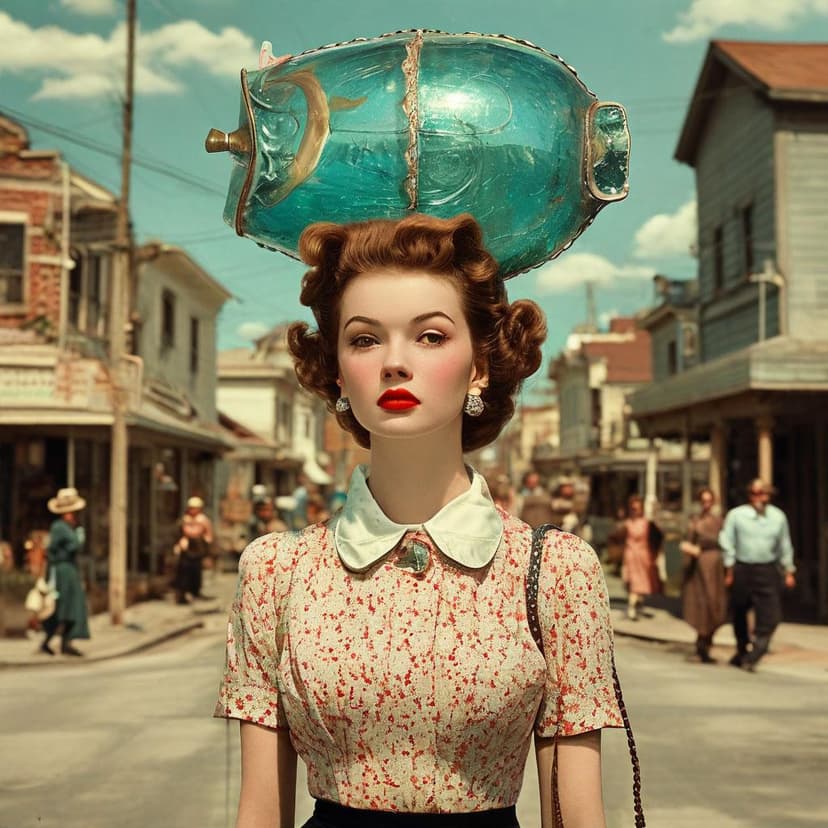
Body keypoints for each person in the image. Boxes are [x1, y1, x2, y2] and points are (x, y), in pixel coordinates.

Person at [215, 214, 641, 828]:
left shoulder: (554, 571)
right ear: (337, 369)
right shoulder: (277, 570)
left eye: (431, 337)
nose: (394, 362)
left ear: (479, 366)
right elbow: (259, 813)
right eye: (364, 339)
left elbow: (576, 815)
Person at [719, 478, 796, 672]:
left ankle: (758, 649)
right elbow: (727, 541)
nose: (758, 497)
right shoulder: (737, 515)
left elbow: (784, 545)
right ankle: (742, 648)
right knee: (739, 611)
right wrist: (729, 569)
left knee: (772, 614)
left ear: (769, 495)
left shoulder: (778, 517)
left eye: (762, 493)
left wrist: (788, 570)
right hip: (742, 568)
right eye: (754, 493)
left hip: (767, 569)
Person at [41, 487, 90, 657]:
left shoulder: (69, 527)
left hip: (70, 569)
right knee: (61, 607)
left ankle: (66, 642)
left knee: (72, 607)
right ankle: (49, 641)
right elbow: (64, 547)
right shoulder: (60, 528)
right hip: (62, 570)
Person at [680, 487, 727, 663]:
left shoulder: (719, 521)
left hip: (714, 565)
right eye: (703, 500)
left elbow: (724, 541)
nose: (706, 504)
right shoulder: (695, 520)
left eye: (709, 500)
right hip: (698, 567)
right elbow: (687, 540)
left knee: (715, 603)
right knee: (700, 605)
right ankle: (701, 644)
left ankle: (707, 641)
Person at [621, 494, 663, 621]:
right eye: (633, 508)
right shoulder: (627, 523)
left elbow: (657, 538)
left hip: (643, 555)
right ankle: (632, 607)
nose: (635, 511)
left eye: (637, 508)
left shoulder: (647, 524)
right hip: (631, 555)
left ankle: (637, 603)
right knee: (633, 581)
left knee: (642, 583)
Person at [172, 496, 214, 604]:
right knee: (184, 572)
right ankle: (182, 593)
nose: (193, 510)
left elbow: (208, 535)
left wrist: (207, 549)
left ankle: (195, 591)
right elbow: (179, 533)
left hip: (198, 550)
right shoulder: (184, 520)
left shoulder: (203, 520)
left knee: (196, 572)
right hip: (186, 550)